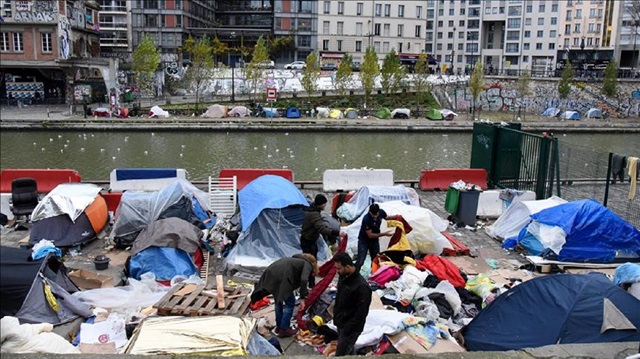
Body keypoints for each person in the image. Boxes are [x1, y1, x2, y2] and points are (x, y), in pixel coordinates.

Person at [250, 253, 318, 338]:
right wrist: (303, 297)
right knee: (290, 303)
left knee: (278, 302)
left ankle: (279, 327)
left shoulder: (294, 260)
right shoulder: (307, 264)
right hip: (283, 279)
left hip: (273, 275)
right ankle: (284, 329)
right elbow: (304, 279)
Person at [332, 252, 372, 356]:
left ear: (348, 267)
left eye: (339, 268)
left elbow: (361, 313)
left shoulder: (362, 287)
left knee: (341, 355)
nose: (337, 272)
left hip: (350, 328)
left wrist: (347, 329)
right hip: (341, 322)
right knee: (348, 350)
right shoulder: (343, 277)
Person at [355, 203, 394, 272]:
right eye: (373, 215)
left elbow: (387, 217)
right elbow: (370, 235)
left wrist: (396, 218)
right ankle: (354, 274)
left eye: (377, 214)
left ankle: (374, 273)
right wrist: (384, 234)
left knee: (376, 259)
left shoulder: (381, 213)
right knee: (360, 260)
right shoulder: (366, 219)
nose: (375, 216)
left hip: (374, 241)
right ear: (370, 212)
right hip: (364, 241)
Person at [300, 194, 340, 259]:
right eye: (324, 203)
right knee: (311, 260)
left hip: (309, 239)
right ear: (320, 204)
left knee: (312, 258)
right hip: (308, 241)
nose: (325, 205)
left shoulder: (312, 210)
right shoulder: (314, 214)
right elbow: (321, 228)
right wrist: (336, 233)